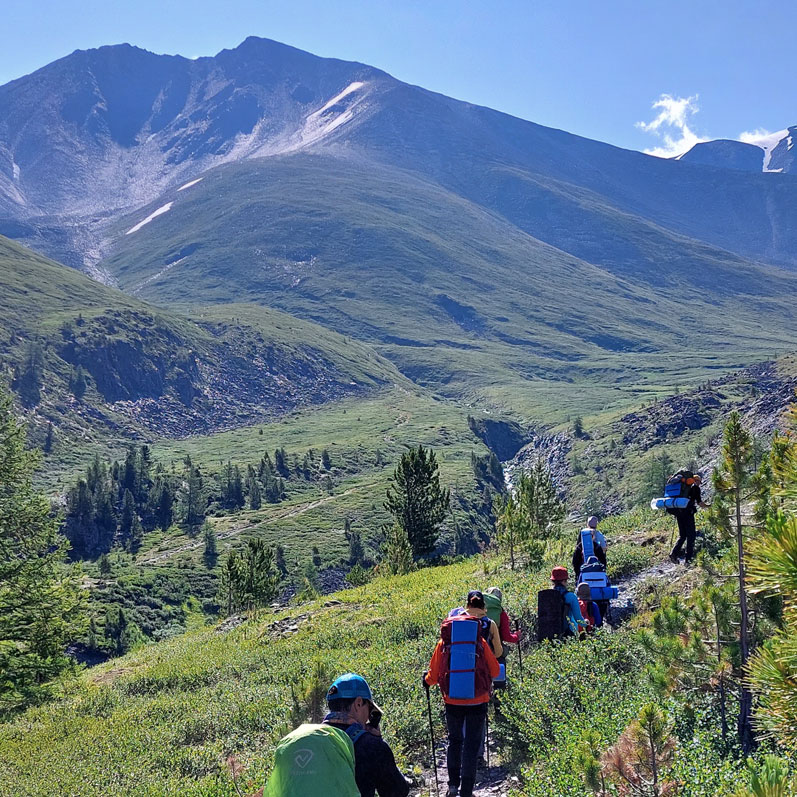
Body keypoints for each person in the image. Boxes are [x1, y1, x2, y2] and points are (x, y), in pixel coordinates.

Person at [425, 596, 501, 797]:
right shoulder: (479, 641)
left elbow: (433, 676)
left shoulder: (444, 643)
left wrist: (426, 680)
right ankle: (467, 791)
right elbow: (495, 670)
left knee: (455, 741)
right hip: (478, 700)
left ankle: (452, 786)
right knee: (471, 745)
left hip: (452, 700)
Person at [323, 673, 410, 797]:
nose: (369, 717)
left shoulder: (312, 739)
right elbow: (398, 792)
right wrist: (378, 742)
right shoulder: (372, 746)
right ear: (358, 703)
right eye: (369, 708)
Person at [449, 590, 504, 660]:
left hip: (457, 663)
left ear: (467, 605)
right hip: (482, 664)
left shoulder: (456, 621)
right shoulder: (490, 623)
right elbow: (498, 652)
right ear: (483, 605)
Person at [669, 474, 710, 563]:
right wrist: (709, 506)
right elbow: (700, 503)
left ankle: (674, 553)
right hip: (688, 514)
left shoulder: (683, 489)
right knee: (691, 536)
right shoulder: (695, 488)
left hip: (679, 513)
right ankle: (688, 560)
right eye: (699, 482)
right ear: (696, 481)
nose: (699, 484)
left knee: (683, 535)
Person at [550, 566, 588, 637]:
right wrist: (586, 624)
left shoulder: (547, 595)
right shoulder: (571, 596)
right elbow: (578, 619)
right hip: (568, 633)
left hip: (549, 633)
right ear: (564, 581)